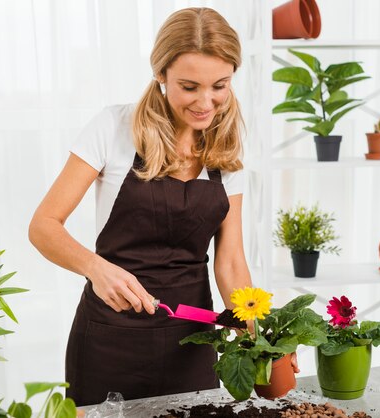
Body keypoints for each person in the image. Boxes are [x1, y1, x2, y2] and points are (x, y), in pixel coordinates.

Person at [29, 7, 255, 406]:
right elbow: (44, 225)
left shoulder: (225, 146)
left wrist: (260, 334)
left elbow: (231, 261)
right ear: (161, 75)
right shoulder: (114, 128)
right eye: (189, 87)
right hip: (109, 341)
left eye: (220, 85)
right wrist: (95, 268)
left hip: (193, 341)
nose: (206, 102)